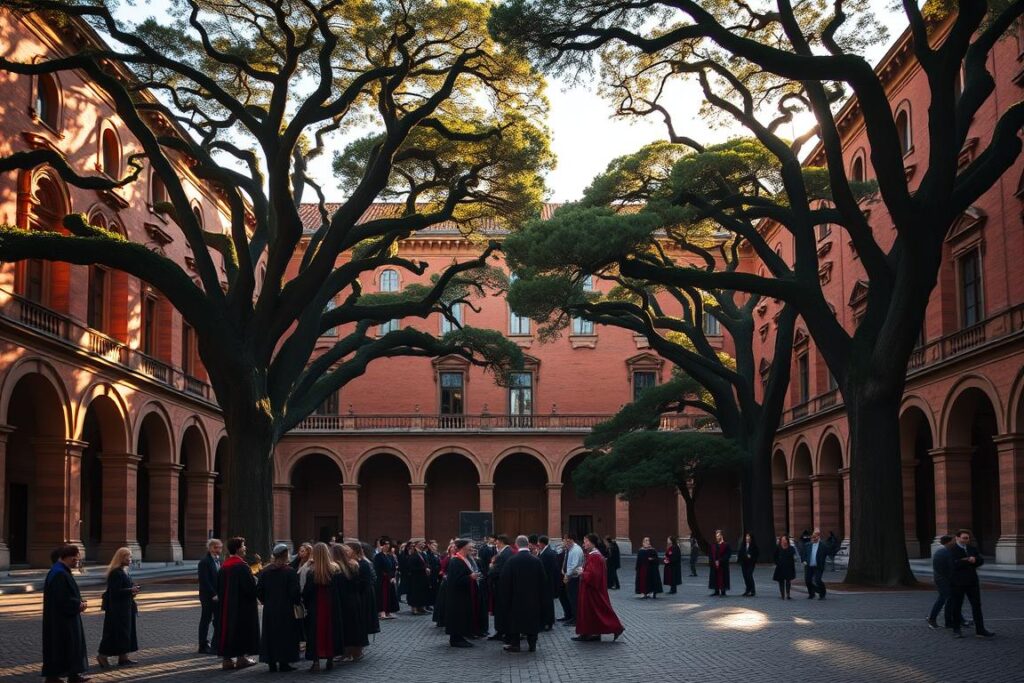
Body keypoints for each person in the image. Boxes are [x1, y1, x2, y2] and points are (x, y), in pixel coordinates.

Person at [42, 544, 90, 683]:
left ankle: (71, 675)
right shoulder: (59, 574)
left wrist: (78, 601)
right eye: (74, 559)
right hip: (62, 619)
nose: (76, 562)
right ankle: (55, 677)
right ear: (65, 558)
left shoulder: (61, 571)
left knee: (68, 646)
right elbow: (62, 598)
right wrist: (78, 604)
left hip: (63, 617)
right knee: (64, 646)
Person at [499, 535, 550, 653]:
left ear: (516, 545)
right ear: (528, 544)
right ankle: (532, 644)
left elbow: (505, 581)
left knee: (515, 621)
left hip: (516, 599)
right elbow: (543, 581)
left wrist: (506, 597)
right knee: (532, 621)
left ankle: (515, 645)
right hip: (533, 598)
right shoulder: (536, 561)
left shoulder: (511, 561)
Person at [215, 536, 259, 670]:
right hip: (242, 607)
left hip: (225, 606)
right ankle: (241, 659)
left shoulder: (224, 566)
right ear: (238, 548)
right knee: (241, 630)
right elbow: (250, 588)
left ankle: (227, 660)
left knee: (226, 629)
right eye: (243, 546)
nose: (245, 548)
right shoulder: (241, 566)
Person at [256, 544, 301, 672]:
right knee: (285, 635)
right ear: (286, 555)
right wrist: (296, 602)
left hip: (270, 608)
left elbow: (259, 590)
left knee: (270, 635)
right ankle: (284, 662)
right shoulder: (290, 572)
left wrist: (265, 601)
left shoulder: (265, 571)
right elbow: (295, 592)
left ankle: (271, 662)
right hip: (286, 609)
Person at [573, 534, 625, 643]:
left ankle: (614, 628)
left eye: (586, 541)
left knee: (596, 612)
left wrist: (582, 572)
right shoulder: (593, 555)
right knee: (594, 613)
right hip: (589, 589)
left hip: (591, 590)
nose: (584, 543)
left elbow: (594, 575)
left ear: (592, 543)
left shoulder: (595, 556)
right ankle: (591, 633)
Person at [303, 543, 345, 671]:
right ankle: (330, 660)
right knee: (331, 631)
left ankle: (315, 662)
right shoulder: (335, 570)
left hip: (316, 608)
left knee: (315, 633)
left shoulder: (311, 572)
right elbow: (341, 591)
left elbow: (306, 593)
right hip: (332, 607)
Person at [97, 547, 139, 668]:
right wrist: (131, 590)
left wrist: (132, 590)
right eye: (128, 557)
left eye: (130, 556)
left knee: (125, 633)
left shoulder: (124, 571)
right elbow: (115, 592)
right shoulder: (116, 573)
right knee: (114, 633)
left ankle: (123, 657)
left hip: (126, 607)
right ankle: (102, 656)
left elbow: (124, 588)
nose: (130, 559)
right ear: (121, 558)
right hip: (118, 609)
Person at [949, 529, 995, 639]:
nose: (967, 540)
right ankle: (956, 630)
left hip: (972, 582)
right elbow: (952, 565)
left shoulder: (972, 548)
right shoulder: (951, 549)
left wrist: (975, 560)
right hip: (957, 582)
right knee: (957, 606)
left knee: (977, 606)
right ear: (957, 538)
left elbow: (980, 560)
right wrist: (966, 560)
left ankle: (980, 630)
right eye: (964, 538)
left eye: (968, 538)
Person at [444, 539, 482, 648]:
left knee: (463, 615)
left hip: (463, 593)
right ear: (463, 547)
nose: (472, 548)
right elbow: (455, 580)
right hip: (457, 595)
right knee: (458, 616)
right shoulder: (456, 561)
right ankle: (456, 639)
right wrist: (470, 577)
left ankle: (460, 637)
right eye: (470, 546)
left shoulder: (465, 559)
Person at [349, 542, 381, 640]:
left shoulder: (363, 563)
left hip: (363, 595)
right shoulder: (360, 562)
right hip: (363, 593)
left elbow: (369, 579)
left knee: (362, 619)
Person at [197, 537, 222, 654]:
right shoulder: (204, 562)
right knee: (206, 619)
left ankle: (215, 644)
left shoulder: (219, 560)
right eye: (215, 547)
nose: (217, 550)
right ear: (209, 548)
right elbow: (204, 580)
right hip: (208, 596)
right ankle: (202, 645)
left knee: (217, 620)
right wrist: (213, 594)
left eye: (219, 547)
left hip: (218, 596)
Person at [488, 534, 514, 642]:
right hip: (504, 586)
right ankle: (501, 631)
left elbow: (495, 571)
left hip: (501, 586)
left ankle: (502, 632)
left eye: (497, 541)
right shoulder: (507, 552)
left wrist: (491, 567)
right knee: (501, 610)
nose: (495, 543)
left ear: (502, 541)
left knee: (501, 610)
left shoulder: (504, 554)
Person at [927, 535, 956, 630]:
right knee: (944, 599)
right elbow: (944, 568)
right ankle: (932, 619)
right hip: (943, 580)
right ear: (948, 542)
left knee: (949, 599)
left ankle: (959, 619)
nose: (954, 542)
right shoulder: (944, 552)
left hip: (942, 579)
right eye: (953, 541)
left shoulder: (943, 551)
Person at [561, 533, 585, 626]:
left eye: (566, 540)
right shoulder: (570, 549)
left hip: (574, 578)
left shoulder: (575, 550)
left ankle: (576, 619)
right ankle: (572, 617)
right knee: (571, 598)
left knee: (574, 599)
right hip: (571, 576)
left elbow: (573, 565)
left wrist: (567, 575)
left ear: (570, 540)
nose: (564, 542)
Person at [537, 535, 561, 630]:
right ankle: (546, 621)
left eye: (539, 542)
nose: (538, 544)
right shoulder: (545, 552)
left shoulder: (547, 553)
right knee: (546, 602)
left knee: (547, 603)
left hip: (547, 582)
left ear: (542, 543)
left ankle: (548, 622)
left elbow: (547, 570)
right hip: (546, 582)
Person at [372, 538, 398, 619]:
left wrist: (393, 577)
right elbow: (377, 568)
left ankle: (388, 612)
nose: (387, 546)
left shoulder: (390, 556)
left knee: (390, 595)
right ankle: (382, 612)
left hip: (390, 580)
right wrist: (386, 575)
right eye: (385, 544)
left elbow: (393, 567)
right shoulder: (378, 556)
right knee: (382, 596)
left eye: (388, 544)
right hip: (382, 580)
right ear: (381, 545)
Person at [799, 529, 829, 600]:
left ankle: (822, 594)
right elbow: (803, 554)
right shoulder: (807, 545)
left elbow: (827, 552)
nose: (813, 538)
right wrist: (804, 561)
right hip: (809, 565)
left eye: (815, 537)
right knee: (808, 581)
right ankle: (811, 593)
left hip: (818, 566)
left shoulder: (823, 545)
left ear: (818, 537)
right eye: (812, 537)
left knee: (817, 580)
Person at [405, 540, 431, 615]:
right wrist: (424, 569)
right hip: (415, 578)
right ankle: (415, 609)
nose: (423, 545)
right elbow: (411, 567)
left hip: (422, 577)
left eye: (423, 543)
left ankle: (421, 607)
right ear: (417, 545)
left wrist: (428, 568)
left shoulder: (422, 554)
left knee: (422, 593)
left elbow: (426, 563)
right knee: (415, 593)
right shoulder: (414, 554)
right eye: (421, 543)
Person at [707, 529, 732, 597]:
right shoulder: (713, 545)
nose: (717, 537)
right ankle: (716, 591)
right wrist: (712, 562)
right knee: (715, 578)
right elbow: (710, 554)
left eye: (718, 535)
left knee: (722, 577)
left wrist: (720, 560)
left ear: (721, 536)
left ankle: (723, 591)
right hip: (714, 565)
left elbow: (728, 555)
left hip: (723, 565)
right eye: (716, 535)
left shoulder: (726, 545)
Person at [772, 535, 797, 599]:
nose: (783, 541)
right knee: (781, 581)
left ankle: (788, 594)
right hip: (780, 567)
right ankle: (782, 595)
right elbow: (775, 557)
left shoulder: (791, 548)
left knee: (788, 581)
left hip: (789, 567)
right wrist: (777, 563)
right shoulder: (778, 548)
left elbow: (793, 556)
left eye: (784, 540)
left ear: (787, 540)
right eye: (782, 540)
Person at [738, 532, 760, 597]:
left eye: (748, 537)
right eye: (746, 537)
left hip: (751, 563)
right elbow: (740, 553)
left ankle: (753, 590)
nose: (747, 538)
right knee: (745, 576)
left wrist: (751, 557)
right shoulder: (743, 545)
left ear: (751, 538)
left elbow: (756, 554)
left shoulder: (754, 546)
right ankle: (747, 590)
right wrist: (740, 560)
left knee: (749, 575)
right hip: (744, 563)